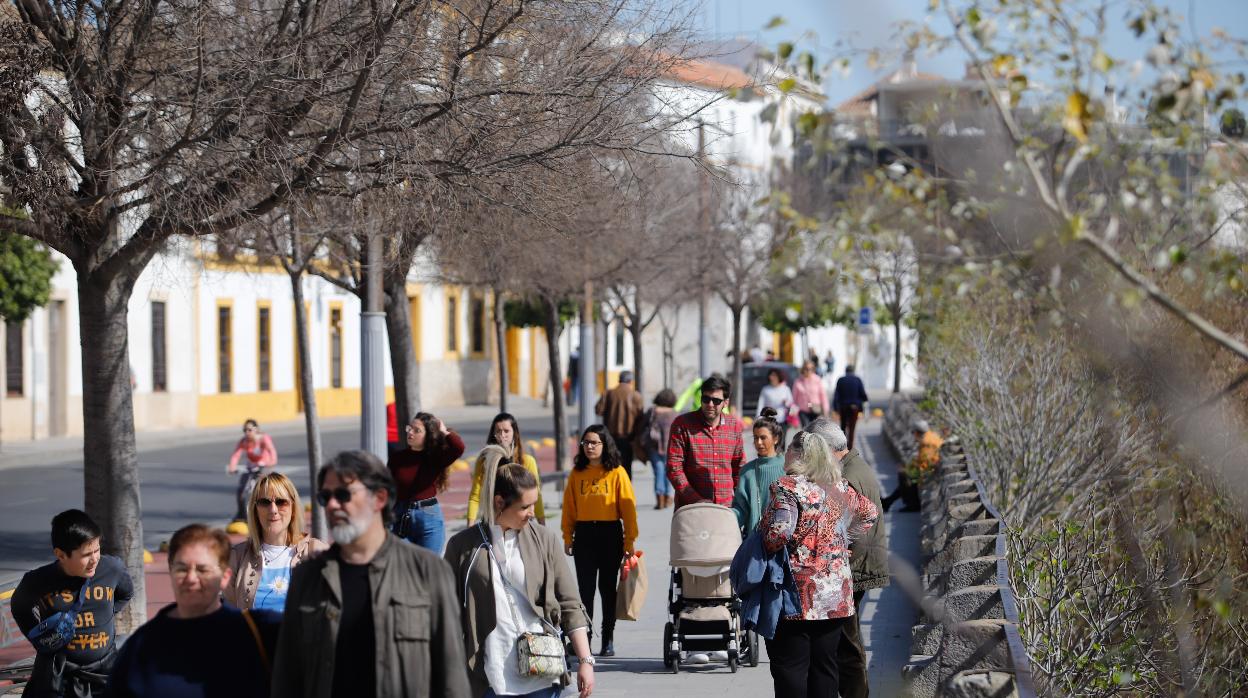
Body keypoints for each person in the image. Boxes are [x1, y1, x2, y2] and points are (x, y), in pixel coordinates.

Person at [271, 450, 471, 698]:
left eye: (343, 495)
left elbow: (451, 678)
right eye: (325, 497)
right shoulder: (308, 577)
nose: (332, 505)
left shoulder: (428, 572)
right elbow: (287, 678)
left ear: (379, 498)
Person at [445, 464, 596, 698]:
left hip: (542, 669)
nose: (532, 512)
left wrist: (585, 660)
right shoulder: (462, 546)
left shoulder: (544, 539)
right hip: (490, 675)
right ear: (499, 503)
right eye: (524, 506)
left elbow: (569, 602)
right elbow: (447, 612)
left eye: (534, 504)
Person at [759, 428, 878, 697]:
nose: (785, 453)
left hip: (797, 595)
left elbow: (779, 534)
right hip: (835, 595)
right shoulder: (839, 487)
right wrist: (842, 542)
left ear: (801, 455)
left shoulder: (787, 488)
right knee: (825, 667)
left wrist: (763, 533)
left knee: (791, 667)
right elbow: (869, 514)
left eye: (789, 449)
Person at [108, 524, 280, 698]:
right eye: (182, 569)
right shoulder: (140, 647)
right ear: (171, 571)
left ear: (225, 577)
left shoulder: (260, 631)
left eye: (202, 570)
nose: (191, 578)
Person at [805, 418, 888, 698]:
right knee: (847, 642)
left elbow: (847, 522)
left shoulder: (847, 476)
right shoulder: (854, 465)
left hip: (853, 568)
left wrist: (839, 548)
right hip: (861, 563)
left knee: (846, 645)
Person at [11, 509, 133, 698]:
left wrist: (106, 614)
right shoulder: (38, 580)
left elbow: (126, 593)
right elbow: (19, 607)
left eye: (97, 550)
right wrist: (40, 638)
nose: (94, 560)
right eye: (86, 555)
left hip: (104, 672)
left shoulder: (112, 569)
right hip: (59, 675)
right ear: (61, 555)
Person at [561, 425, 639, 658]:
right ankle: (582, 639)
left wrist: (629, 541)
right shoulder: (577, 473)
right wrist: (567, 535)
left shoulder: (616, 472)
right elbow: (569, 508)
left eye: (594, 442)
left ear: (605, 445)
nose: (590, 447)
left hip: (609, 533)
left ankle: (608, 639)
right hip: (584, 534)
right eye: (586, 443)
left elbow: (628, 509)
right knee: (584, 591)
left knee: (607, 589)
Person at [224, 472, 328, 612]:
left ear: (293, 508)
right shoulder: (237, 556)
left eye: (281, 502)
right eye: (264, 502)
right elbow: (229, 614)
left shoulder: (317, 551)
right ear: (255, 510)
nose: (273, 510)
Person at [388, 411, 466, 552]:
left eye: (416, 430)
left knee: (429, 569)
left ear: (428, 435)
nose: (410, 432)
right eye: (409, 428)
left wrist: (443, 431)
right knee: (402, 568)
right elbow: (388, 487)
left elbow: (458, 447)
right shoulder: (397, 458)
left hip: (428, 517)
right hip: (401, 517)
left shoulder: (435, 457)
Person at [666, 374, 746, 509]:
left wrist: (742, 502)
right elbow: (674, 468)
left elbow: (739, 467)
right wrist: (695, 499)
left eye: (716, 401)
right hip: (690, 509)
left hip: (725, 508)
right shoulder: (682, 425)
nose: (710, 404)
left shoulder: (733, 426)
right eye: (706, 399)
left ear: (725, 402)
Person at [467, 413, 546, 524]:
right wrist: (470, 526)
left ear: (515, 433)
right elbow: (475, 496)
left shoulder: (527, 461)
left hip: (520, 522)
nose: (502, 435)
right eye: (498, 431)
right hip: (493, 522)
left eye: (506, 431)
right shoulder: (484, 461)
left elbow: (536, 495)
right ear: (493, 434)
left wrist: (542, 525)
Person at [731, 407, 787, 535]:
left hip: (783, 543)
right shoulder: (747, 472)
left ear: (776, 438)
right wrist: (726, 517)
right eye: (755, 438)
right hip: (754, 541)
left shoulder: (788, 468)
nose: (758, 443)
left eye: (763, 438)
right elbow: (741, 509)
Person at [882, 419, 944, 513]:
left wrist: (910, 469)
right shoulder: (931, 436)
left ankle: (912, 504)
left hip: (930, 470)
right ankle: (888, 501)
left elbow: (925, 462)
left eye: (913, 432)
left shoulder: (926, 442)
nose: (913, 435)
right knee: (905, 473)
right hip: (932, 467)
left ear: (917, 432)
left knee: (904, 475)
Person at [595, 370, 645, 479]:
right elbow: (640, 418)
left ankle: (613, 490)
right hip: (629, 437)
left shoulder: (608, 393)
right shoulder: (636, 396)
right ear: (631, 381)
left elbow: (598, 410)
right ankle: (625, 491)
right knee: (627, 467)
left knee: (611, 465)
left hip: (610, 436)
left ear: (619, 380)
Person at [227, 419, 278, 521]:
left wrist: (270, 463)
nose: (247, 433)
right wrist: (232, 466)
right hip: (251, 466)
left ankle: (264, 511)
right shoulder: (244, 441)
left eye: (249, 430)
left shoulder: (263, 439)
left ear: (256, 430)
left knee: (259, 488)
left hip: (265, 466)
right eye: (245, 430)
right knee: (241, 489)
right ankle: (241, 514)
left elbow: (272, 452)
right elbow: (236, 455)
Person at [640, 388, 679, 509]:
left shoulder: (652, 411)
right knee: (669, 471)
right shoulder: (674, 413)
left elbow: (642, 425)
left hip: (653, 445)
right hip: (671, 446)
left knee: (658, 471)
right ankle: (668, 497)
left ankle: (659, 498)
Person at [831, 366, 870, 450]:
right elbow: (862, 393)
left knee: (843, 427)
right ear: (853, 371)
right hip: (854, 408)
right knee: (852, 429)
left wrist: (835, 408)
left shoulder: (840, 380)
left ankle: (843, 446)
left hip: (843, 407)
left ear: (845, 371)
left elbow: (836, 395)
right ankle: (850, 448)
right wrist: (864, 400)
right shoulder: (857, 380)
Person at [793, 361, 830, 428]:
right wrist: (793, 415)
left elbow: (823, 396)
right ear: (803, 369)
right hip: (803, 411)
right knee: (806, 430)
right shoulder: (798, 381)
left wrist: (825, 410)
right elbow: (794, 399)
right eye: (806, 368)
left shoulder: (817, 380)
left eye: (811, 369)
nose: (808, 371)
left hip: (816, 410)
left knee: (814, 430)